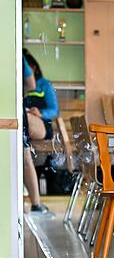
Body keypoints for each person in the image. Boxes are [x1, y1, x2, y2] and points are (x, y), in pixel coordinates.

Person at [21, 54, 48, 213]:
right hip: (15, 108)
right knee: (24, 156)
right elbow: (30, 84)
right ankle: (36, 203)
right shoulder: (17, 54)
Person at [23, 49, 59, 142]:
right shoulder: (18, 86)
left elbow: (54, 110)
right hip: (25, 124)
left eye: (27, 69)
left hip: (42, 124)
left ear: (34, 68)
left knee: (24, 120)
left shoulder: (45, 84)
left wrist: (40, 113)